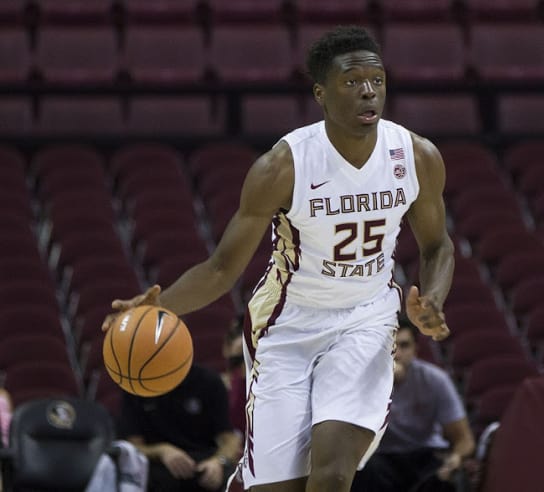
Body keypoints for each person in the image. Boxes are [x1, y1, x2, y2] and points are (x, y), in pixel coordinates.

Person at [103, 25, 454, 492]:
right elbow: (221, 268)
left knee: (332, 472)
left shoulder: (416, 156)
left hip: (366, 319)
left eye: (377, 80)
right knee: (281, 485)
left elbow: (437, 246)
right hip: (287, 325)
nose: (369, 91)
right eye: (352, 83)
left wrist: (432, 296)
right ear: (321, 94)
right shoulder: (283, 166)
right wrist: (158, 306)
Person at [351, 321, 475, 492]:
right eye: (391, 346)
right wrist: (382, 382)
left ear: (416, 349)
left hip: (424, 453)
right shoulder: (363, 381)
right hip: (382, 456)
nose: (398, 353)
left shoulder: (434, 380)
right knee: (361, 470)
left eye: (404, 345)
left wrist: (455, 458)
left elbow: (464, 439)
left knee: (445, 476)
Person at [118, 363, 242, 492]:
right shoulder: (135, 386)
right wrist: (162, 451)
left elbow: (230, 440)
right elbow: (132, 448)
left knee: (231, 475)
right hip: (158, 468)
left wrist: (219, 462)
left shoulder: (209, 381)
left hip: (204, 463)